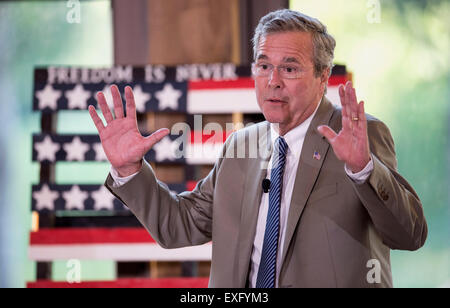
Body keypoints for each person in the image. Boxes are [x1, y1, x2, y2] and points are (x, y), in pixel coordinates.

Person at [88, 9, 427, 288]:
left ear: (323, 77)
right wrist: (129, 170)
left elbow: (409, 234)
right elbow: (180, 225)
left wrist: (363, 170)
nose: (273, 80)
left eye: (290, 68)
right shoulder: (241, 145)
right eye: (264, 66)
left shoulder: (359, 135)